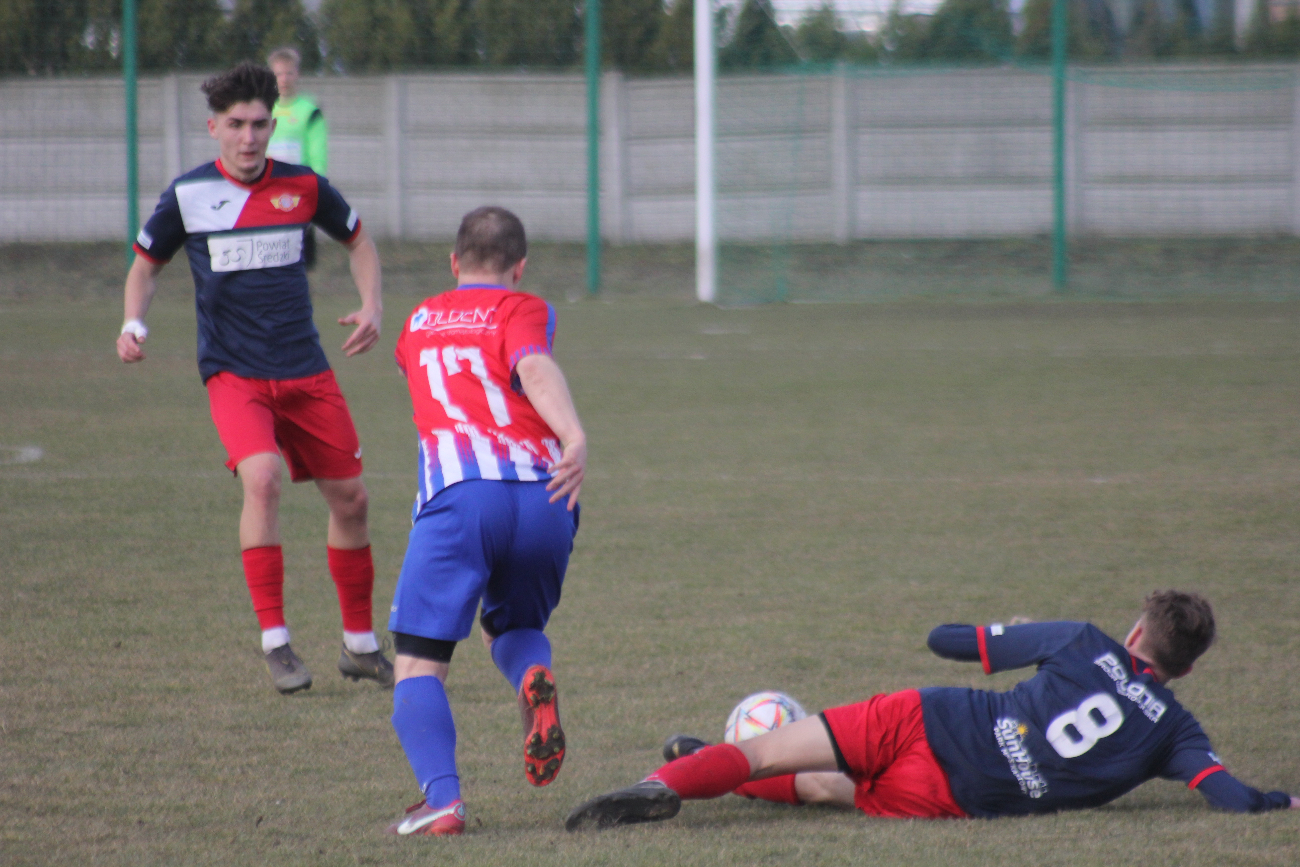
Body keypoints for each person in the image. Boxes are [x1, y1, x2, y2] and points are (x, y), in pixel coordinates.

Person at [115, 62, 393, 695]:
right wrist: (134, 322)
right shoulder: (187, 195)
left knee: (352, 501)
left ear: (274, 125)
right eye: (235, 125)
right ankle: (277, 643)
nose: (248, 137)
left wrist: (373, 305)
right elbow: (144, 267)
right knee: (261, 477)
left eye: (260, 125)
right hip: (233, 373)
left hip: (306, 368)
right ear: (214, 127)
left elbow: (359, 242)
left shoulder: (303, 185)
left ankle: (360, 646)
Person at [566, 590, 1298, 830]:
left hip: (931, 717)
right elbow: (1231, 797)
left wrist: (1005, 632)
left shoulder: (1083, 641)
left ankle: (677, 781)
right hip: (958, 793)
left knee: (765, 750)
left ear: (1136, 632)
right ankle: (699, 763)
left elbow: (944, 640)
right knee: (826, 786)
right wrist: (1280, 797)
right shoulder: (1177, 730)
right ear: (1189, 667)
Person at [383, 206, 587, 838]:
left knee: (418, 664)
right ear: (519, 267)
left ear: (453, 262)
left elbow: (513, 371)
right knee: (513, 626)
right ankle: (530, 675)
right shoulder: (525, 308)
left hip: (461, 495)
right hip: (548, 497)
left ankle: (442, 801)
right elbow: (532, 364)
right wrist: (572, 436)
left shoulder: (417, 319)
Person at [266, 47, 327, 269]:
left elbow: (318, 155)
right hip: (268, 191)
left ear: (297, 74)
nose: (284, 79)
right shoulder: (263, 110)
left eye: (289, 73)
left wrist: (315, 188)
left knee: (301, 262)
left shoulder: (309, 110)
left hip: (299, 191)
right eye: (279, 74)